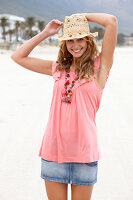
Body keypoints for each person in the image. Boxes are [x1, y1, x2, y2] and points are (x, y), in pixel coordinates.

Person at [11, 13, 117, 200]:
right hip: (53, 152)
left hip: (84, 154)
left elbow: (111, 21)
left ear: (88, 41)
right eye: (70, 40)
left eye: (80, 39)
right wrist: (46, 33)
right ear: (65, 44)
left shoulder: (100, 67)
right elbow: (18, 56)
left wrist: (80, 17)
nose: (75, 45)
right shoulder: (58, 68)